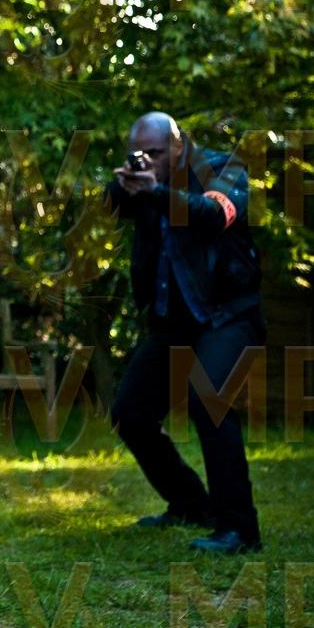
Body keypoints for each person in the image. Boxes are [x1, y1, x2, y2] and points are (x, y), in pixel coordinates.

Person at [106, 112, 265, 554]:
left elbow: (212, 215)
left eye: (156, 153)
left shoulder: (223, 168)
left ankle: (239, 530)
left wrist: (155, 192)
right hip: (173, 323)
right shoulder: (146, 183)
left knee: (209, 401)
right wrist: (123, 184)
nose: (148, 160)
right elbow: (110, 208)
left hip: (227, 316)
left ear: (180, 145)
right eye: (139, 154)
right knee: (130, 414)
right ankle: (191, 504)